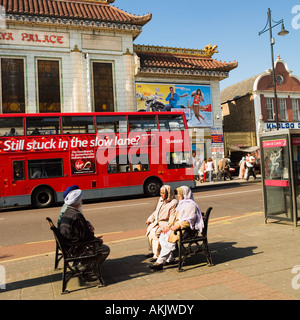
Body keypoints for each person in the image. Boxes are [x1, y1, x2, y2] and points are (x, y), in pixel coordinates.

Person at [149, 186, 204, 271]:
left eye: (179, 194)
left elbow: (188, 221)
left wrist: (178, 226)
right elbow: (175, 218)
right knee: (163, 236)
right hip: (178, 229)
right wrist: (169, 225)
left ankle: (159, 262)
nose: (178, 195)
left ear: (184, 194)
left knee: (169, 239)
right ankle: (169, 259)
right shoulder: (182, 204)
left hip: (186, 231)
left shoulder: (191, 205)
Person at [59, 188, 110, 268]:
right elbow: (85, 237)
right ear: (77, 203)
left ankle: (86, 265)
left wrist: (93, 237)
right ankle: (85, 268)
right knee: (105, 249)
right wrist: (96, 240)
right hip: (76, 248)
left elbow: (81, 234)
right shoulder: (77, 215)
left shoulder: (67, 211)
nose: (82, 202)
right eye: (81, 201)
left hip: (69, 246)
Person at [146, 185, 178, 262]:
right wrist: (150, 219)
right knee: (149, 231)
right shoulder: (161, 200)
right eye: (161, 193)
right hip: (158, 221)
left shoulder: (173, 203)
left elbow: (172, 217)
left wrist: (169, 226)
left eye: (163, 193)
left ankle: (156, 255)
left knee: (154, 233)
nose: (161, 195)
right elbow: (156, 211)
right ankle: (152, 251)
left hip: (165, 223)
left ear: (168, 193)